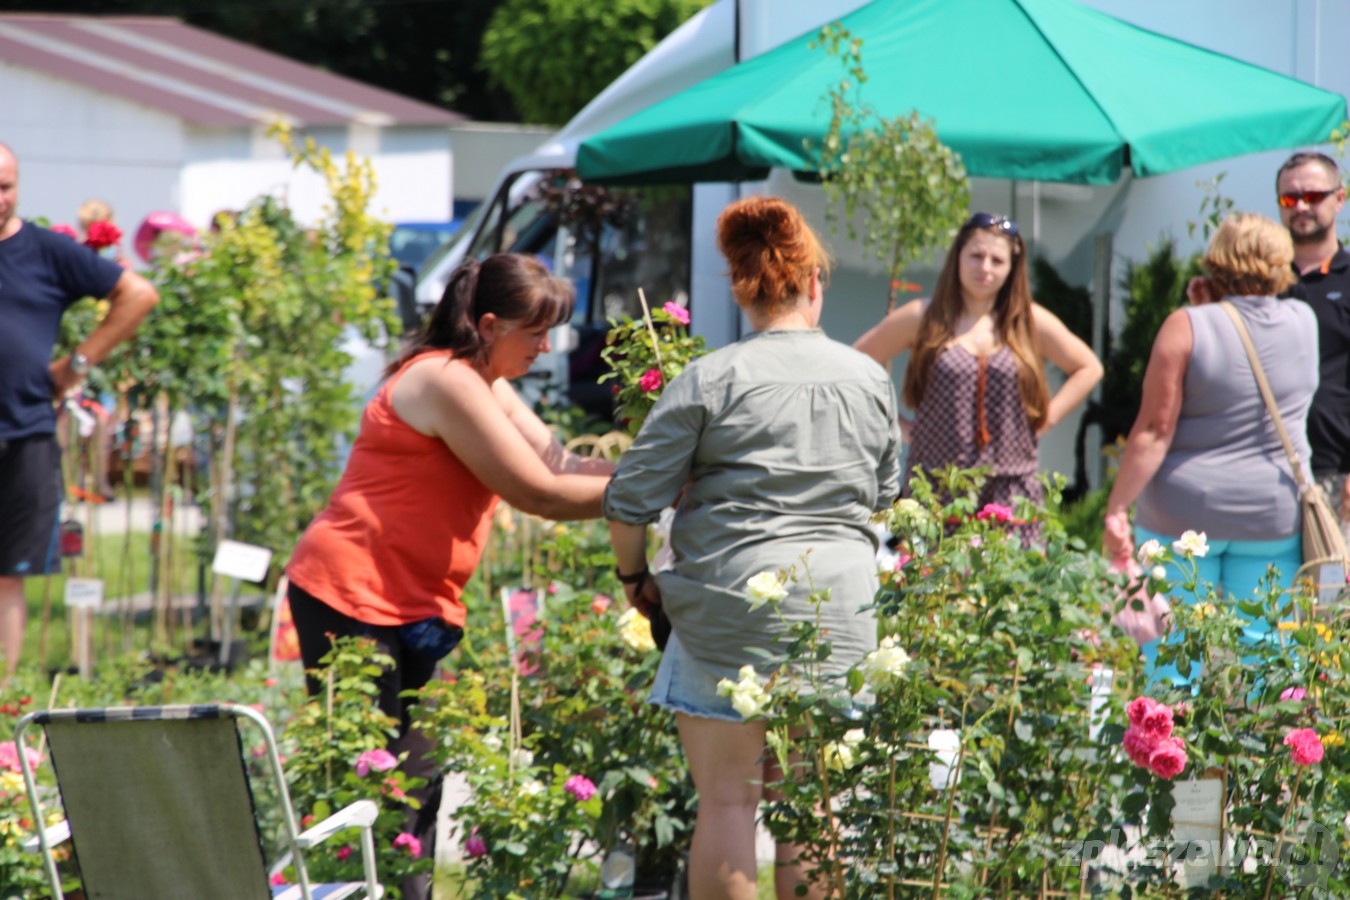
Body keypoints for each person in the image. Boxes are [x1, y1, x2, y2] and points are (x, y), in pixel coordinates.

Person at [285, 252, 614, 899]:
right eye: (535, 332)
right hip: (350, 594)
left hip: (411, 601)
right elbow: (539, 493)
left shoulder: (485, 381)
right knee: (372, 783)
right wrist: (648, 494)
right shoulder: (443, 378)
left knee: (415, 779)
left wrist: (666, 471)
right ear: (489, 326)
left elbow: (562, 463)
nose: (546, 347)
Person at [605, 195, 901, 900]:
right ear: (814, 284)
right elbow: (885, 494)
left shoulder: (710, 378)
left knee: (728, 803)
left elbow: (628, 499)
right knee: (811, 806)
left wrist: (633, 576)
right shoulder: (869, 377)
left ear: (742, 290)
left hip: (725, 605)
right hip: (837, 609)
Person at [1105, 213, 1317, 681]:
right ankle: (1267, 729)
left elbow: (1155, 429)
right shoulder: (1305, 321)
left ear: (1216, 259)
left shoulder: (1185, 325)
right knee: (1269, 658)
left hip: (1183, 513)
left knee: (1174, 657)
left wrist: (1116, 507)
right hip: (1271, 513)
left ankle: (1172, 726)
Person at [0, 142, 159, 682]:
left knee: (7, 575)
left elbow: (138, 294)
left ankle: (4, 697)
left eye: (6, 187)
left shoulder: (44, 251)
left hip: (22, 431)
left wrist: (78, 362)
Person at [854, 212, 1101, 509]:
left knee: (1009, 542)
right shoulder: (923, 316)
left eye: (997, 261)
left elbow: (1089, 368)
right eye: (976, 256)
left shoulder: (1027, 320)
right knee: (934, 542)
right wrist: (896, 427)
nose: (985, 268)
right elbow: (852, 364)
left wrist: (1046, 419)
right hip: (937, 486)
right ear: (957, 256)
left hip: (1010, 486)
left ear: (1012, 267)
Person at [1274, 152, 1350, 541]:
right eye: (1290, 198)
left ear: (1339, 199)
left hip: (1336, 475)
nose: (1301, 206)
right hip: (1267, 473)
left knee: (1335, 581)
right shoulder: (1261, 283)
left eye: (1314, 196)